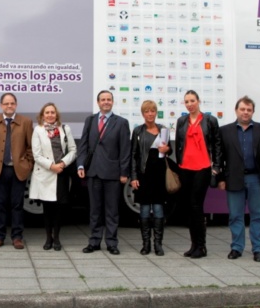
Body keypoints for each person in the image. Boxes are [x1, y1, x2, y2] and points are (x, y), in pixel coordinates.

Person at [218, 96, 260, 262]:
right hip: (234, 178)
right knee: (235, 215)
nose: (245, 112)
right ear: (236, 110)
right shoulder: (225, 131)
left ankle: (258, 249)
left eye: (249, 110)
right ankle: (237, 247)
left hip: (256, 178)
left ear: (253, 111)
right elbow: (220, 157)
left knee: (258, 215)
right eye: (242, 109)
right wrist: (220, 178)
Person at [78, 90, 131, 255]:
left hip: (112, 173)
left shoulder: (121, 122)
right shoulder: (91, 120)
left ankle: (112, 243)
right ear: (98, 102)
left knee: (112, 210)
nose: (106, 102)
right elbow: (84, 145)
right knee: (94, 210)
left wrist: (124, 172)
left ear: (112, 102)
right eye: (103, 100)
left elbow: (125, 150)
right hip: (93, 172)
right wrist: (81, 165)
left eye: (109, 99)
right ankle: (94, 241)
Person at [174, 90, 221, 259]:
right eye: (186, 101)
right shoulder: (181, 121)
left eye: (192, 100)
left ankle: (201, 246)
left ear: (199, 101)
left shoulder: (210, 120)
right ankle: (193, 245)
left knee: (196, 205)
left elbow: (217, 145)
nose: (189, 104)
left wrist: (216, 167)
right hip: (185, 168)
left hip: (203, 168)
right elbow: (179, 144)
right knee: (188, 206)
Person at [0, 93, 34, 249]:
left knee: (17, 205)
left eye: (12, 103)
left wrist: (28, 165)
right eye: (6, 103)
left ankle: (17, 236)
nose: (9, 106)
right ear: (1, 105)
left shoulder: (25, 122)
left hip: (18, 170)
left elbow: (30, 147)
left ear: (16, 105)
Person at [30, 102, 77, 251]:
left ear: (56, 114)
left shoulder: (65, 129)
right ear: (42, 115)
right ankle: (48, 238)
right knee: (47, 208)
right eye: (47, 112)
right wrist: (52, 166)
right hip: (45, 173)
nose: (50, 115)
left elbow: (73, 150)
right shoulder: (38, 130)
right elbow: (36, 155)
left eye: (52, 112)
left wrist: (62, 164)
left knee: (58, 208)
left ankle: (56, 238)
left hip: (61, 173)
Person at [130, 100, 172, 256]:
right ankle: (146, 244)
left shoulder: (163, 130)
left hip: (159, 175)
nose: (150, 114)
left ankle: (158, 245)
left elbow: (169, 150)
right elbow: (134, 155)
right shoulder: (138, 131)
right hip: (144, 175)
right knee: (145, 210)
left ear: (156, 113)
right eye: (147, 111)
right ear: (142, 114)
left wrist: (167, 149)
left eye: (152, 111)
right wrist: (133, 176)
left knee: (159, 209)